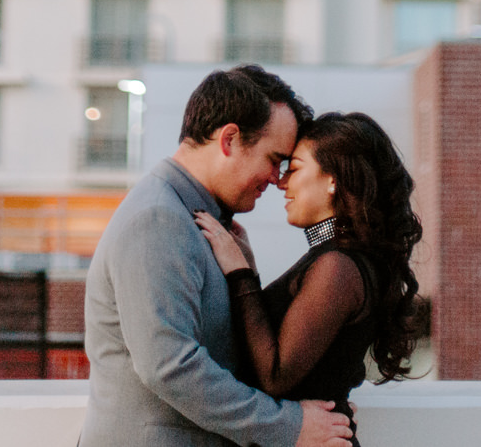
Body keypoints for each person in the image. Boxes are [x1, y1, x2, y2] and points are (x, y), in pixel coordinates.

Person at [81, 65, 356, 447]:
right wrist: (289, 425)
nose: (278, 179)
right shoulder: (158, 218)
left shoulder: (195, 218)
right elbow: (170, 366)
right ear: (229, 139)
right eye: (274, 159)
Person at [194, 112, 422, 442]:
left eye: (295, 169)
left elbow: (275, 375)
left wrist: (239, 273)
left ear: (334, 181)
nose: (282, 183)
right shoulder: (335, 259)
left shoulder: (338, 266)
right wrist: (249, 268)